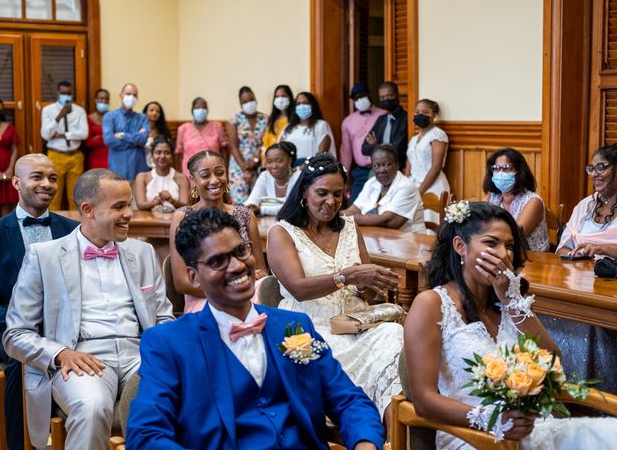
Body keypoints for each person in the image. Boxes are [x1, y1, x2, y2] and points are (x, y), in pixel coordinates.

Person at [126, 207, 384, 449]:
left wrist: (364, 442)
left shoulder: (293, 326)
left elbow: (349, 400)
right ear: (194, 276)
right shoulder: (169, 343)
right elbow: (146, 435)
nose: (238, 266)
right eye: (218, 262)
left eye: (241, 251)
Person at [404, 201, 617, 449]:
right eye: (491, 243)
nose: (504, 254)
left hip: (533, 428)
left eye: (510, 246)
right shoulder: (431, 304)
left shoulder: (507, 303)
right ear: (460, 246)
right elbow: (424, 400)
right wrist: (493, 420)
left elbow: (552, 361)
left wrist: (512, 300)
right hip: (470, 435)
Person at [3, 168, 174, 450]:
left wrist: (165, 350)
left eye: (129, 204)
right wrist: (60, 353)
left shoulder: (143, 253)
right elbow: (15, 334)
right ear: (88, 210)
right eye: (119, 206)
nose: (129, 214)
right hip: (82, 357)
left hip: (139, 355)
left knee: (185, 392)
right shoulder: (44, 257)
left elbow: (164, 316)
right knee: (93, 408)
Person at [267, 153, 403, 435]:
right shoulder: (283, 232)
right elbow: (298, 288)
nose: (331, 202)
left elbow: (367, 292)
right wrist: (346, 276)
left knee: (395, 336)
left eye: (338, 194)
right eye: (322, 193)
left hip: (354, 324)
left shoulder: (350, 227)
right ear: (304, 192)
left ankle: (393, 436)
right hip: (308, 328)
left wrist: (372, 283)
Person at [0, 154, 78, 450]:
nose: (46, 184)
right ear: (16, 183)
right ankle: (19, 445)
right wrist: (27, 324)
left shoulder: (72, 230)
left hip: (64, 328)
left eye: (52, 178)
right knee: (22, 359)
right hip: (10, 330)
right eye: (37, 177)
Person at [169, 150, 267, 313]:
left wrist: (251, 279)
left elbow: (261, 271)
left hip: (246, 295)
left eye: (220, 173)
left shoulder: (245, 214)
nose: (214, 180)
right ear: (192, 180)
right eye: (205, 175)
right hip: (203, 299)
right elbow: (182, 283)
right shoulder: (182, 217)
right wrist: (230, 291)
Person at [345, 145, 426, 233]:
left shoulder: (406, 186)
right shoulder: (371, 183)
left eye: (386, 164)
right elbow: (353, 210)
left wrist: (347, 218)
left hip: (411, 241)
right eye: (376, 165)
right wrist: (341, 216)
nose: (381, 170)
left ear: (397, 165)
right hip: (379, 239)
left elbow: (389, 222)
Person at [557, 144, 617, 258]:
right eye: (591, 169)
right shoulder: (584, 205)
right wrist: (578, 256)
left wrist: (602, 248)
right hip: (580, 272)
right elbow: (562, 249)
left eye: (601, 167)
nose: (593, 174)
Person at [483, 148, 549, 251]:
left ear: (519, 172)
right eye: (496, 168)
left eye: (506, 168)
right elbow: (476, 223)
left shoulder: (533, 201)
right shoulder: (492, 197)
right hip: (501, 252)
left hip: (533, 260)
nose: (500, 173)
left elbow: (514, 236)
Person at [40, 80, 89, 210]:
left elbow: (84, 134)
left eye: (69, 93)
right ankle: (52, 227)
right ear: (58, 93)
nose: (66, 96)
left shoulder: (80, 111)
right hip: (55, 155)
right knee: (53, 195)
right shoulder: (48, 110)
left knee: (75, 196)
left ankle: (75, 227)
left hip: (75, 156)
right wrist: (59, 116)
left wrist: (63, 135)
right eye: (63, 93)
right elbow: (45, 135)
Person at [340, 82, 386, 203]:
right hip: (359, 172)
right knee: (355, 206)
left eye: (362, 96)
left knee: (379, 206)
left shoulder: (384, 115)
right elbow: (346, 151)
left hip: (382, 170)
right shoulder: (348, 121)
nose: (360, 100)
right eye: (356, 98)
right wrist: (345, 176)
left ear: (370, 95)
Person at [227, 86, 268, 203]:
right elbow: (233, 147)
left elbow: (266, 143)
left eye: (251, 100)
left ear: (255, 99)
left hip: (260, 164)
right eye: (245, 101)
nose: (249, 103)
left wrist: (254, 162)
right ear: (240, 103)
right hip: (238, 167)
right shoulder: (234, 120)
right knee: (239, 203)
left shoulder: (265, 119)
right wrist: (245, 168)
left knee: (259, 201)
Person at [102, 83, 149, 180]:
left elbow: (143, 139)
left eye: (134, 95)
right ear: (121, 95)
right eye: (128, 94)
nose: (131, 97)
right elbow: (109, 140)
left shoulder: (142, 118)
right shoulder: (109, 116)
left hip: (138, 170)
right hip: (117, 169)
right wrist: (135, 141)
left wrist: (124, 136)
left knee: (138, 195)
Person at [405, 98, 450, 197]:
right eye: (417, 112)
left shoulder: (437, 135)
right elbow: (408, 168)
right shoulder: (414, 139)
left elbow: (436, 168)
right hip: (413, 185)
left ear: (433, 115)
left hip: (432, 187)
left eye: (425, 112)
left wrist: (420, 192)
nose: (420, 114)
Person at [175, 96, 228, 177]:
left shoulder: (217, 126)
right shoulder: (183, 129)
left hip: (214, 174)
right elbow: (178, 154)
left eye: (204, 107)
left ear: (207, 110)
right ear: (192, 110)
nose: (201, 110)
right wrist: (179, 176)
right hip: (190, 175)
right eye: (197, 107)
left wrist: (224, 170)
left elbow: (224, 150)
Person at [244, 141, 301, 216]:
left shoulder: (299, 177)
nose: (274, 166)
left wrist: (261, 209)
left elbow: (295, 208)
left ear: (289, 161)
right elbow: (251, 203)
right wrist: (247, 207)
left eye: (279, 161)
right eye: (269, 161)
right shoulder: (265, 176)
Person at [280, 91, 336, 165]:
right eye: (298, 104)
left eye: (305, 103)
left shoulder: (321, 125)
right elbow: (280, 151)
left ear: (312, 105)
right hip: (290, 170)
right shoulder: (288, 128)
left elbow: (321, 154)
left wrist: (303, 167)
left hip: (312, 169)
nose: (302, 106)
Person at [135, 136, 189, 211]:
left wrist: (172, 201)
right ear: (152, 155)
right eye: (158, 152)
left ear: (172, 157)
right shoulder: (142, 177)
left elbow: (186, 207)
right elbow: (140, 205)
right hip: (149, 220)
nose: (162, 156)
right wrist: (154, 202)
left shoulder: (182, 178)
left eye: (167, 153)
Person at [361, 82, 408, 169]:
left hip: (399, 168)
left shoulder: (406, 119)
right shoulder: (381, 119)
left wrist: (376, 145)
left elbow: (396, 149)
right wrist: (382, 145)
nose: (386, 99)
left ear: (397, 96)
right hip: (378, 167)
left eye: (389, 96)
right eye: (382, 97)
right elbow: (364, 148)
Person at [263, 84, 294, 159]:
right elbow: (266, 142)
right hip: (270, 159)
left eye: (283, 96)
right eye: (277, 97)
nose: (280, 99)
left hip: (286, 158)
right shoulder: (272, 119)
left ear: (290, 98)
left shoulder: (294, 119)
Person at [85, 88, 110, 169]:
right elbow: (88, 142)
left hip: (110, 156)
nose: (104, 101)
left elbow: (116, 139)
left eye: (106, 99)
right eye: (101, 98)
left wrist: (98, 137)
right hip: (95, 157)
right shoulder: (89, 118)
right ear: (95, 100)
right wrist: (106, 137)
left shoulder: (113, 117)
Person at [142, 101, 171, 169]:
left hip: (160, 166)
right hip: (142, 165)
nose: (154, 113)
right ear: (145, 112)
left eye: (157, 111)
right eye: (151, 110)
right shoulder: (139, 130)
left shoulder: (163, 130)